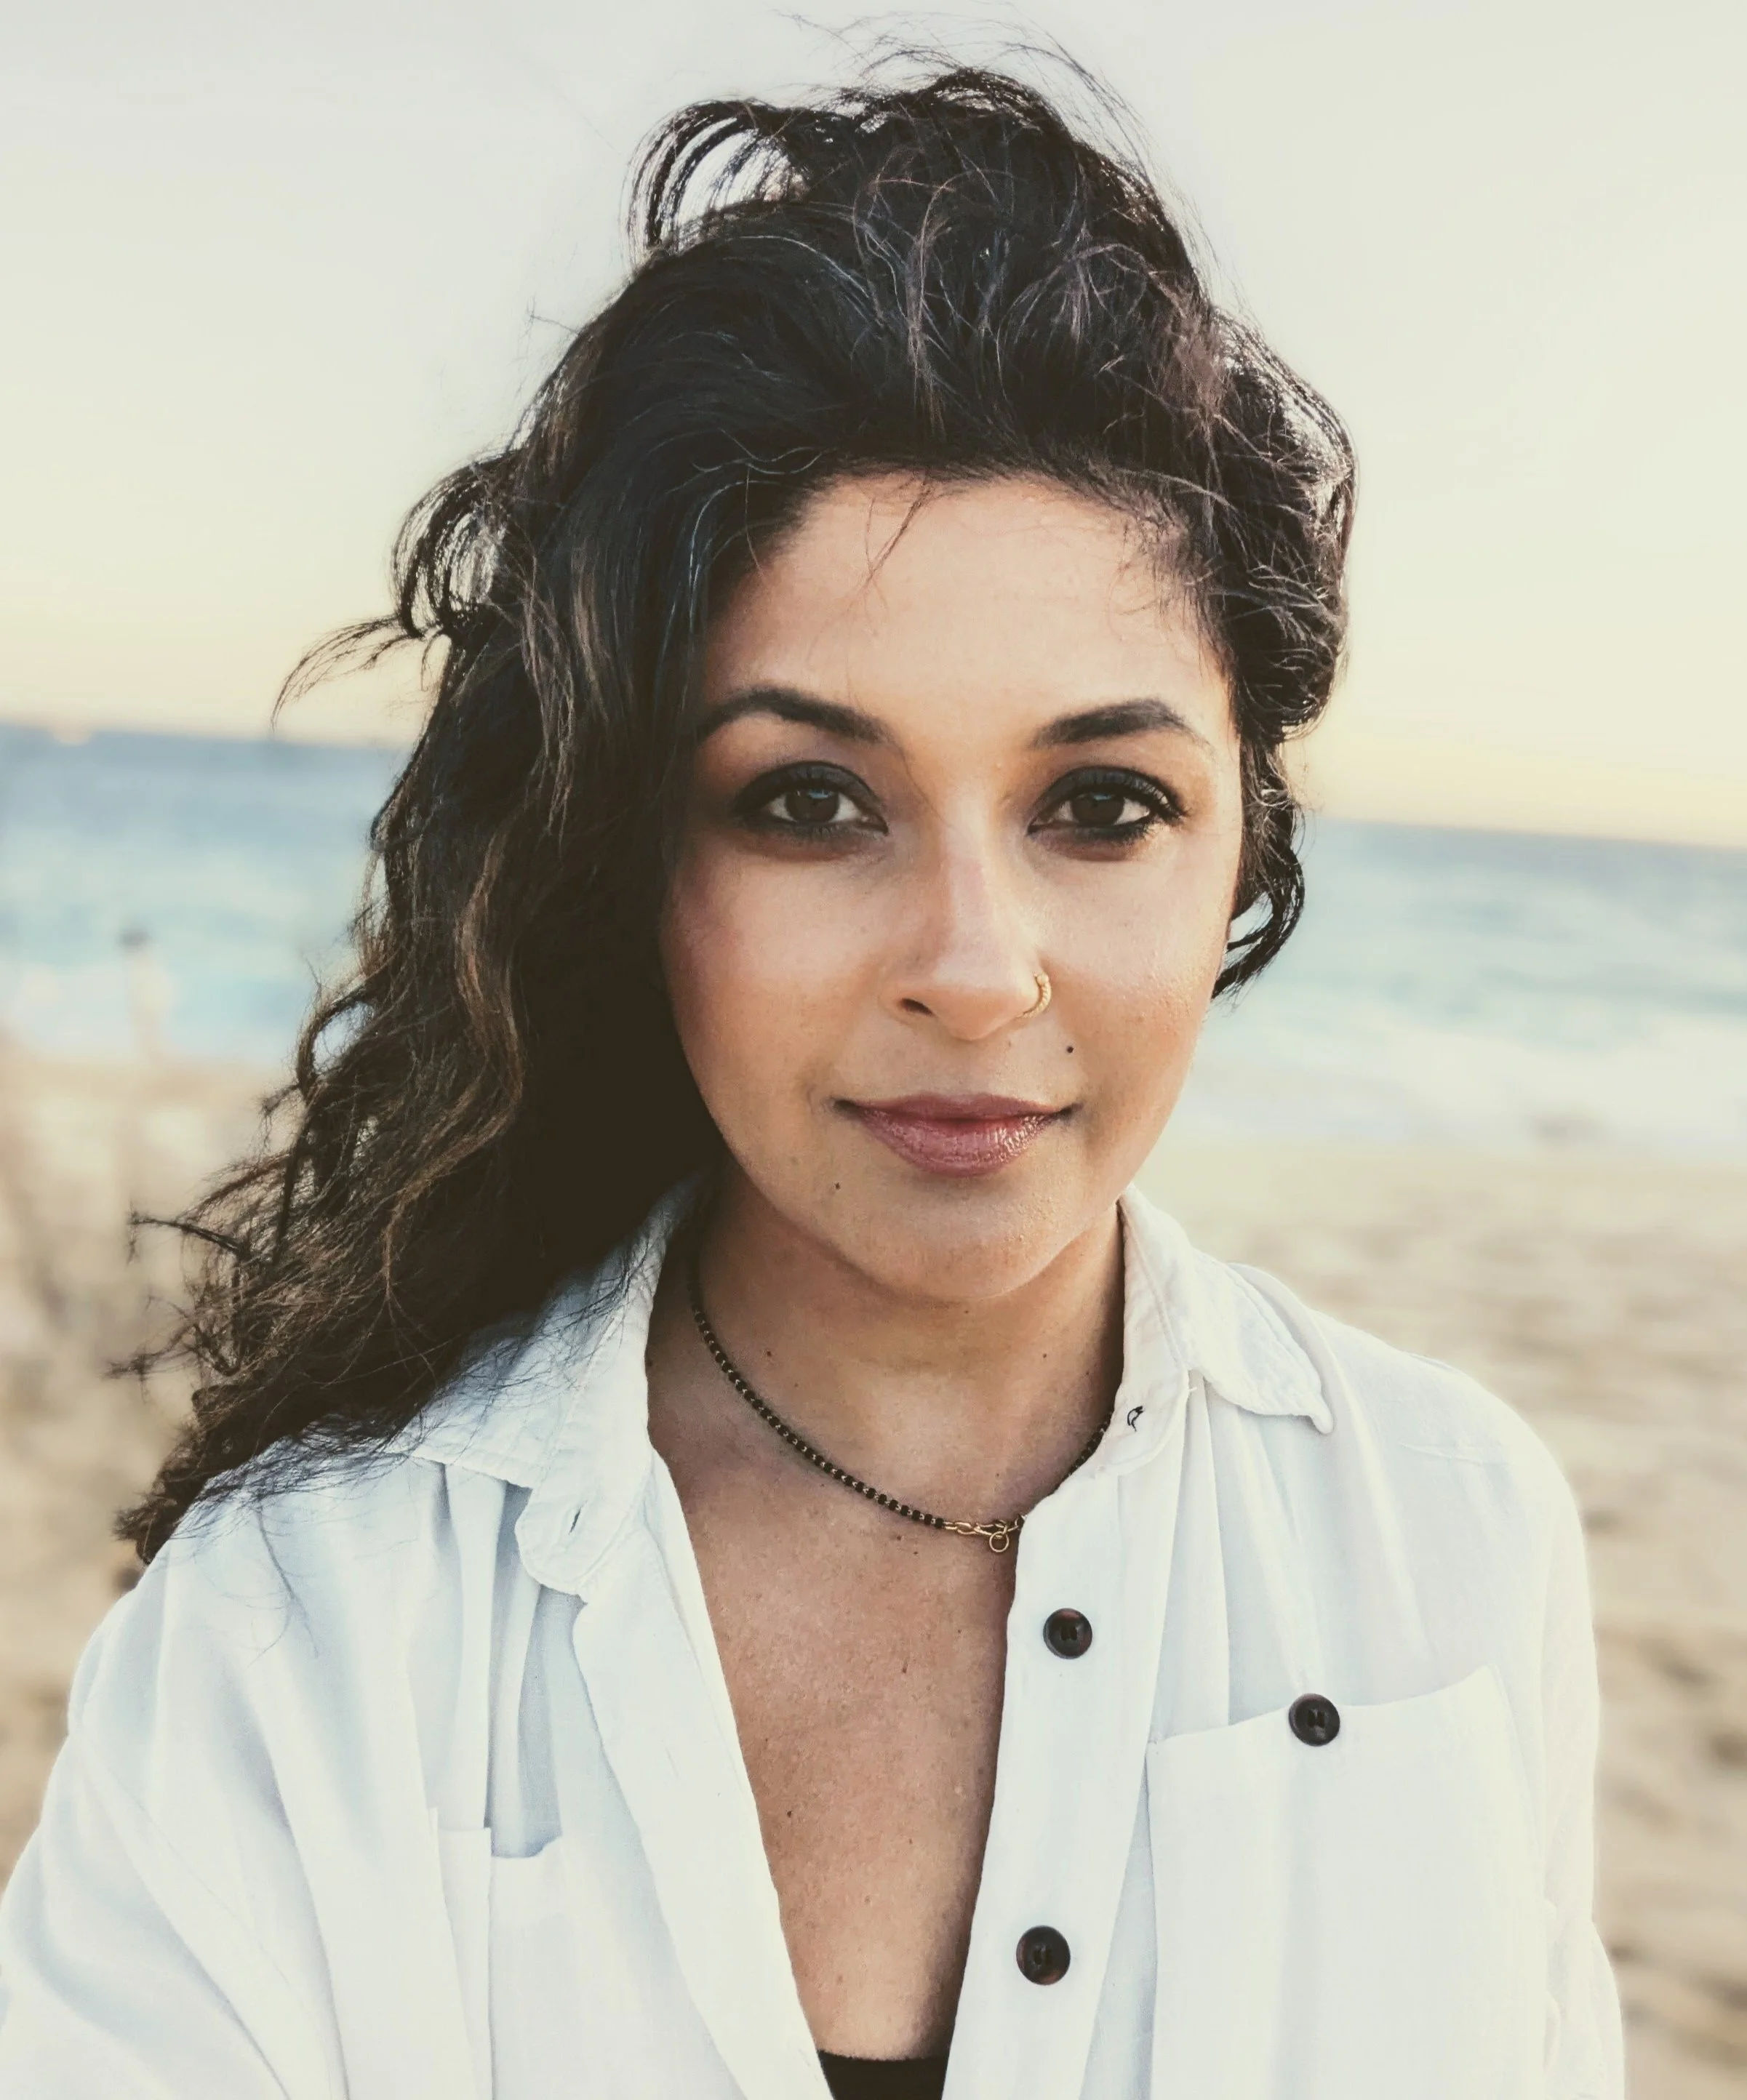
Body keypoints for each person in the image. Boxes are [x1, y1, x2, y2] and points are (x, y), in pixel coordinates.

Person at [0, 64, 1621, 2100]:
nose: (970, 964)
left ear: (1242, 858)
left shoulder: (1449, 1537)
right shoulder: (298, 1643)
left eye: (1104, 803)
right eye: (811, 800)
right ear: (636, 864)